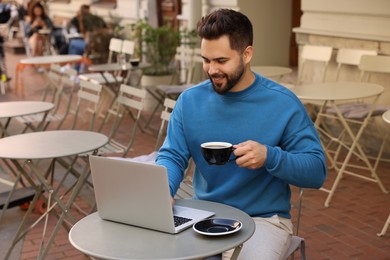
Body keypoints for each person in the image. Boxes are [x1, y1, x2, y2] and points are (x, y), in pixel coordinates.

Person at [155, 9, 327, 260]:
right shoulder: (189, 101)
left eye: (221, 61)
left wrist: (270, 157)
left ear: (247, 54)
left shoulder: (283, 103)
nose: (211, 69)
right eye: (206, 60)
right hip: (204, 214)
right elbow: (172, 156)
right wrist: (163, 190)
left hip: (263, 220)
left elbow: (316, 171)